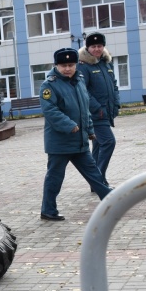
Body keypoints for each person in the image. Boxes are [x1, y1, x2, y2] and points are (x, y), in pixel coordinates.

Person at [40, 48, 112, 221]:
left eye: (71, 65)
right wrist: (70, 125)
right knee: (55, 178)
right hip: (59, 143)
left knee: (94, 173)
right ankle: (48, 210)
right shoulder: (49, 85)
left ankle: (110, 201)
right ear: (56, 65)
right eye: (63, 65)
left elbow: (84, 108)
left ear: (76, 65)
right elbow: (50, 111)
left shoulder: (79, 80)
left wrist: (90, 130)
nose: (67, 69)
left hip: (79, 140)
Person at [78, 32, 120, 189]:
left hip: (107, 111)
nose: (97, 49)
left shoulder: (105, 63)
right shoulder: (83, 66)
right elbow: (84, 91)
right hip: (95, 114)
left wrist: (116, 104)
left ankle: (95, 182)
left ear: (103, 47)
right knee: (109, 142)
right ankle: (99, 181)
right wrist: (98, 108)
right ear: (87, 48)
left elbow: (114, 85)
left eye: (99, 46)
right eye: (93, 46)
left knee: (98, 146)